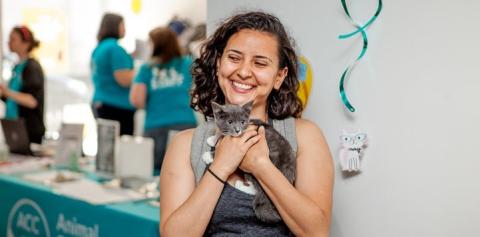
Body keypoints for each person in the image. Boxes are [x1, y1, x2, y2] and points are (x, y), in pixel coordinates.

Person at [160, 11, 333, 236]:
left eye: (260, 63)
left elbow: (316, 232)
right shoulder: (187, 144)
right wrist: (221, 166)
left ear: (279, 77)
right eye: (234, 58)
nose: (243, 71)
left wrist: (261, 165)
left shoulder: (304, 136)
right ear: (218, 64)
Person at [130, 27, 197, 171]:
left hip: (156, 126)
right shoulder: (187, 63)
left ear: (156, 45)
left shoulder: (146, 68)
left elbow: (137, 100)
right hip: (185, 125)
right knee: (186, 171)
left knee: (158, 173)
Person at [91, 13, 135, 135]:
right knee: (119, 148)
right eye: (123, 25)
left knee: (106, 146)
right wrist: (141, 72)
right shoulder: (115, 49)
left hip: (101, 101)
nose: (125, 29)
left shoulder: (100, 47)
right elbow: (124, 79)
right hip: (116, 106)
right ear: (114, 26)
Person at [0, 26, 45, 144]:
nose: (9, 42)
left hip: (29, 130)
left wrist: (7, 92)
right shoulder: (16, 67)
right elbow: (13, 98)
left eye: (13, 39)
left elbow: (32, 101)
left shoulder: (32, 67)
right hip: (14, 126)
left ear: (25, 44)